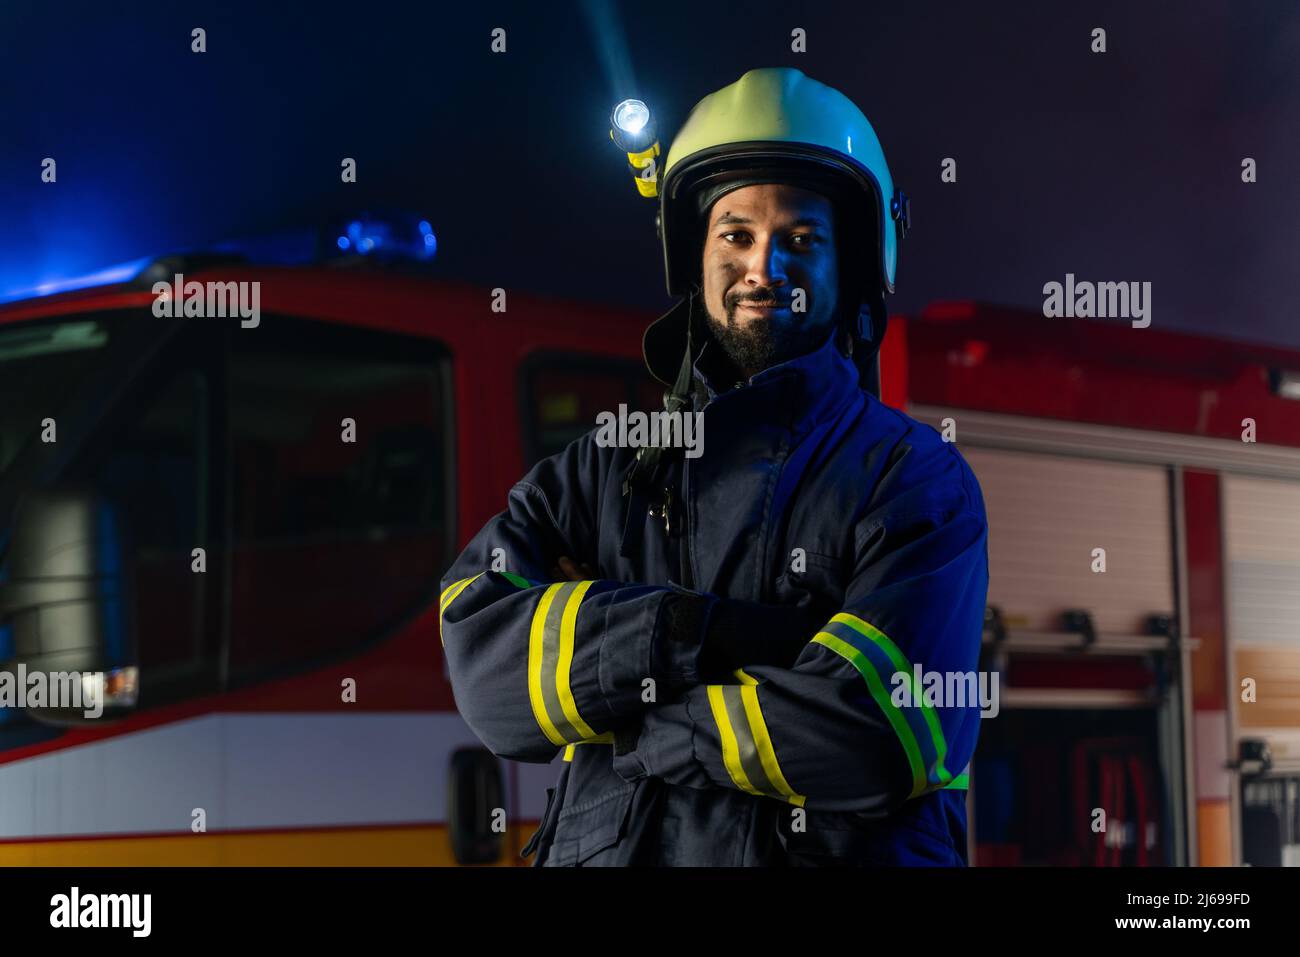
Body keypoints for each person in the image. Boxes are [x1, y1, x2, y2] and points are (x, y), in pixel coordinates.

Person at [439, 67, 990, 866]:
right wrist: (699, 631)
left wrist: (634, 710)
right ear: (693, 255)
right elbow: (485, 672)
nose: (763, 267)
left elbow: (886, 728)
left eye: (801, 239)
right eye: (735, 234)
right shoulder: (603, 467)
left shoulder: (912, 480)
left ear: (854, 267)